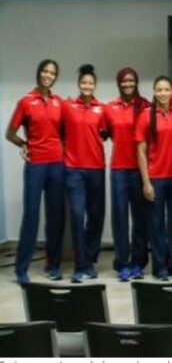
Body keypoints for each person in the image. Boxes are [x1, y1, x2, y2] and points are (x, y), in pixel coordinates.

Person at [6, 59, 66, 284]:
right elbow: (9, 133)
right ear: (39, 73)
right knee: (31, 216)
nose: (48, 75)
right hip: (36, 165)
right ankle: (21, 269)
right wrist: (24, 145)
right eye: (45, 71)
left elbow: (66, 132)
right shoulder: (26, 101)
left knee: (55, 217)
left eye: (52, 73)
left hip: (57, 165)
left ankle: (53, 266)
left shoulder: (59, 102)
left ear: (55, 77)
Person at [136, 76, 172, 281]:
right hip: (155, 178)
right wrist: (146, 182)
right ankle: (160, 268)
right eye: (159, 90)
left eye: (167, 89)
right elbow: (141, 151)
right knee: (156, 224)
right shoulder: (146, 115)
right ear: (155, 92)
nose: (163, 93)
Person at [104, 67, 151, 281]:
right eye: (124, 81)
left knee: (141, 219)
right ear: (118, 83)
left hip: (141, 170)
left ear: (137, 82)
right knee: (120, 218)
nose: (128, 84)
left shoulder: (146, 106)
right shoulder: (110, 108)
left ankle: (138, 263)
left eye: (131, 80)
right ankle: (122, 263)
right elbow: (103, 133)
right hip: (119, 170)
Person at [63, 64, 107, 283]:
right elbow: (53, 130)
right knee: (78, 215)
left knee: (96, 217)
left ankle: (89, 260)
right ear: (79, 85)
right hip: (73, 169)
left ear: (95, 85)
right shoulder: (68, 106)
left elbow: (108, 132)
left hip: (97, 168)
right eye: (83, 83)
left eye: (90, 83)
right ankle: (80, 265)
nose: (87, 86)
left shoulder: (103, 109)